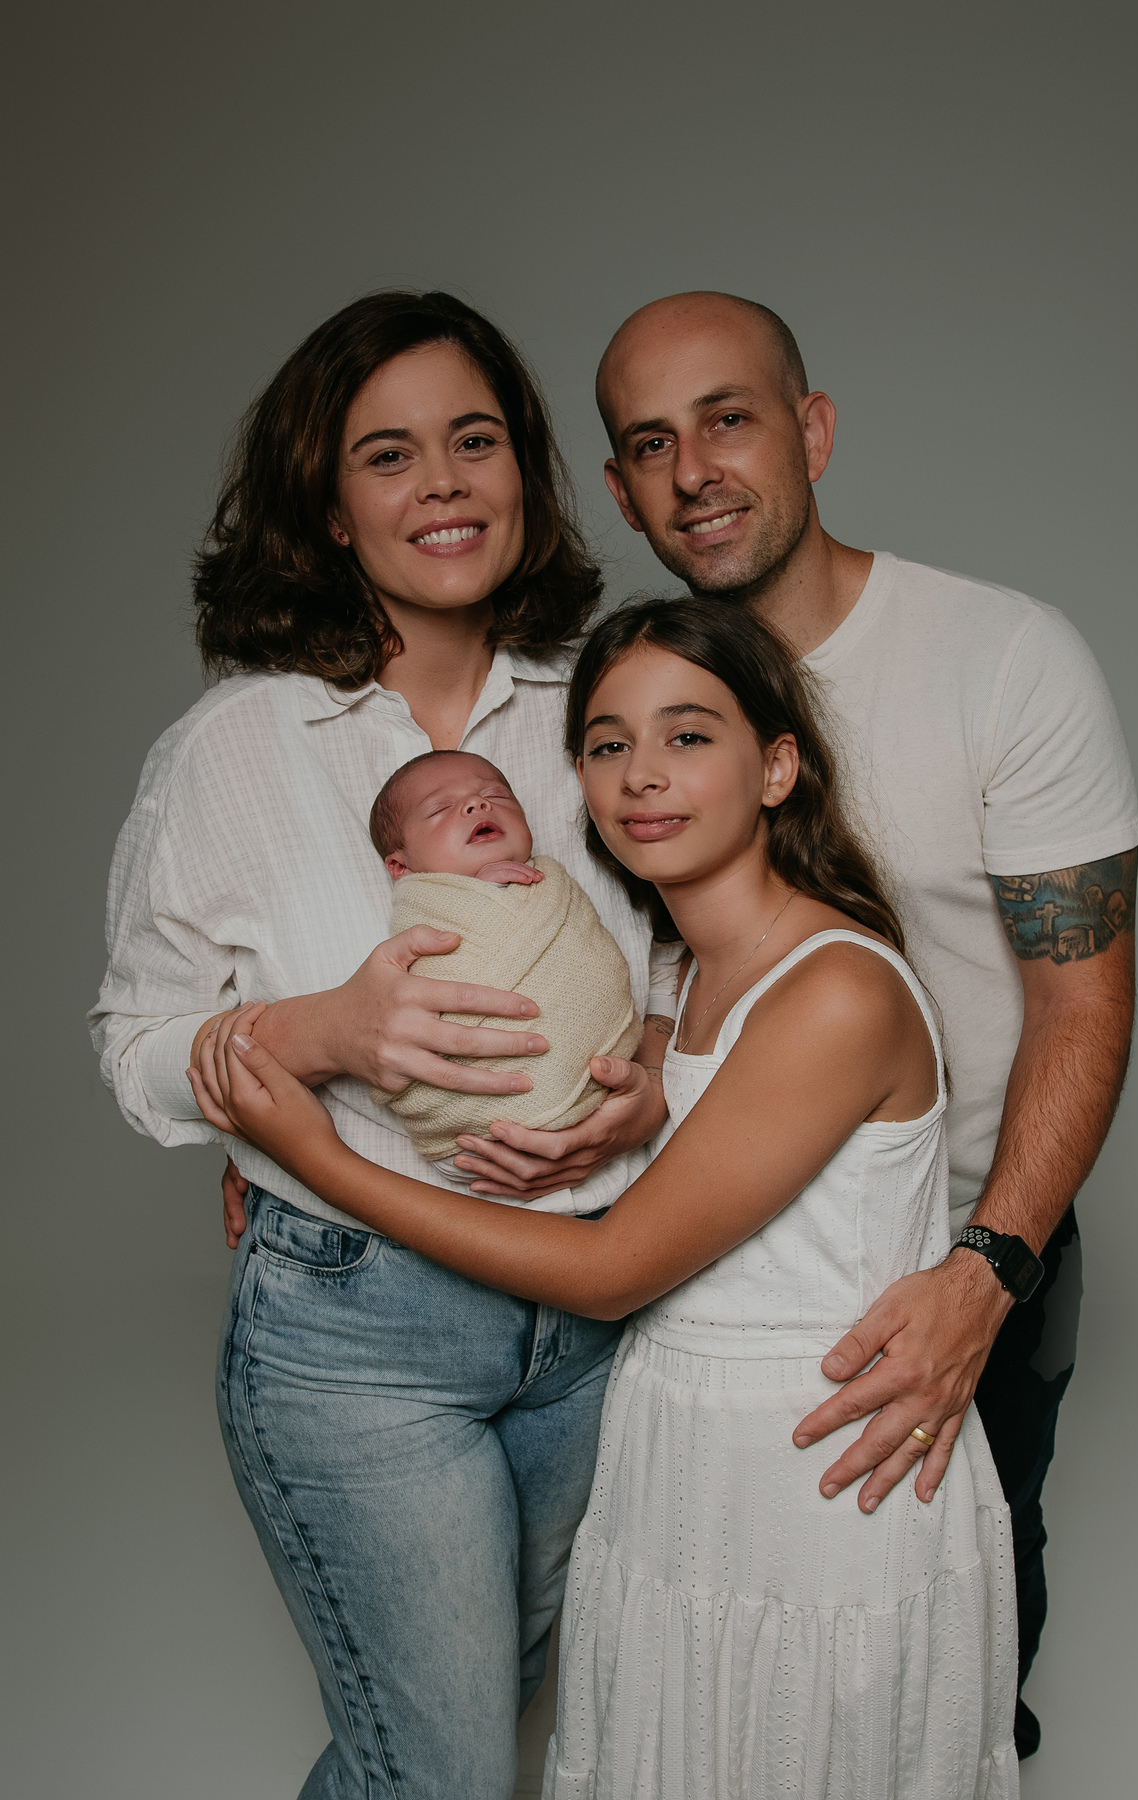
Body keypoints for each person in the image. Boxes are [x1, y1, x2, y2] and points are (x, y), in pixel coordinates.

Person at [188, 597, 1021, 1800]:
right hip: (678, 1471)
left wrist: (314, 1159)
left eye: (689, 736)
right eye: (608, 743)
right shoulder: (687, 972)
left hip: (821, 1481)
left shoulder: (834, 991)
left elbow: (613, 1266)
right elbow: (617, 1060)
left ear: (777, 765)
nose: (643, 776)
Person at [88, 290, 681, 1800]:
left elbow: (689, 950)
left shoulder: (599, 714)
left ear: (524, 478)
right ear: (331, 510)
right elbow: (136, 1044)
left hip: (592, 1318)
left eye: (474, 442)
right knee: (443, 1768)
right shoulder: (238, 747)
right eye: (390, 454)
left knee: (488, 1719)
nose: (443, 485)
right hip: (364, 1333)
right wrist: (316, 1034)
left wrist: (652, 1075)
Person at [593, 291, 1138, 1758]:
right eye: (651, 443)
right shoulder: (638, 706)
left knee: (939, 1693)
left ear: (814, 431)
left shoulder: (1005, 658)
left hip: (961, 1264)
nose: (694, 469)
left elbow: (1083, 999)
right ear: (618, 488)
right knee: (711, 1707)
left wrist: (990, 1272)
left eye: (730, 418)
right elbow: (647, 994)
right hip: (709, 1304)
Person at [365, 748, 643, 1171]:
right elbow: (427, 984)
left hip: (599, 1095)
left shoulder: (550, 885)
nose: (478, 804)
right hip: (469, 1135)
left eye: (496, 795)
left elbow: (590, 957)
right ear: (401, 866)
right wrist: (482, 894)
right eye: (441, 808)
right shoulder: (427, 906)